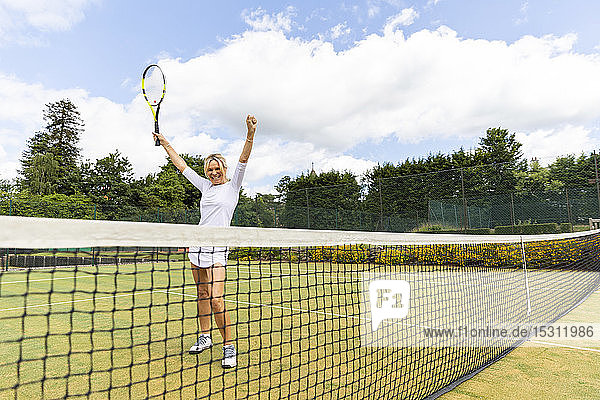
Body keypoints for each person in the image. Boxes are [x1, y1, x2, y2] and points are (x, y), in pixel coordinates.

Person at [153, 115, 257, 368]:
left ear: (223, 169)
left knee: (216, 299)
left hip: (219, 249)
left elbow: (243, 159)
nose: (213, 172)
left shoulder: (233, 187)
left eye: (216, 169)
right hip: (197, 246)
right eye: (209, 169)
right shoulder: (204, 187)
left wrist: (250, 133)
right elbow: (181, 166)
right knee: (201, 293)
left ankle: (229, 346)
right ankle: (204, 337)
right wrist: (166, 143)